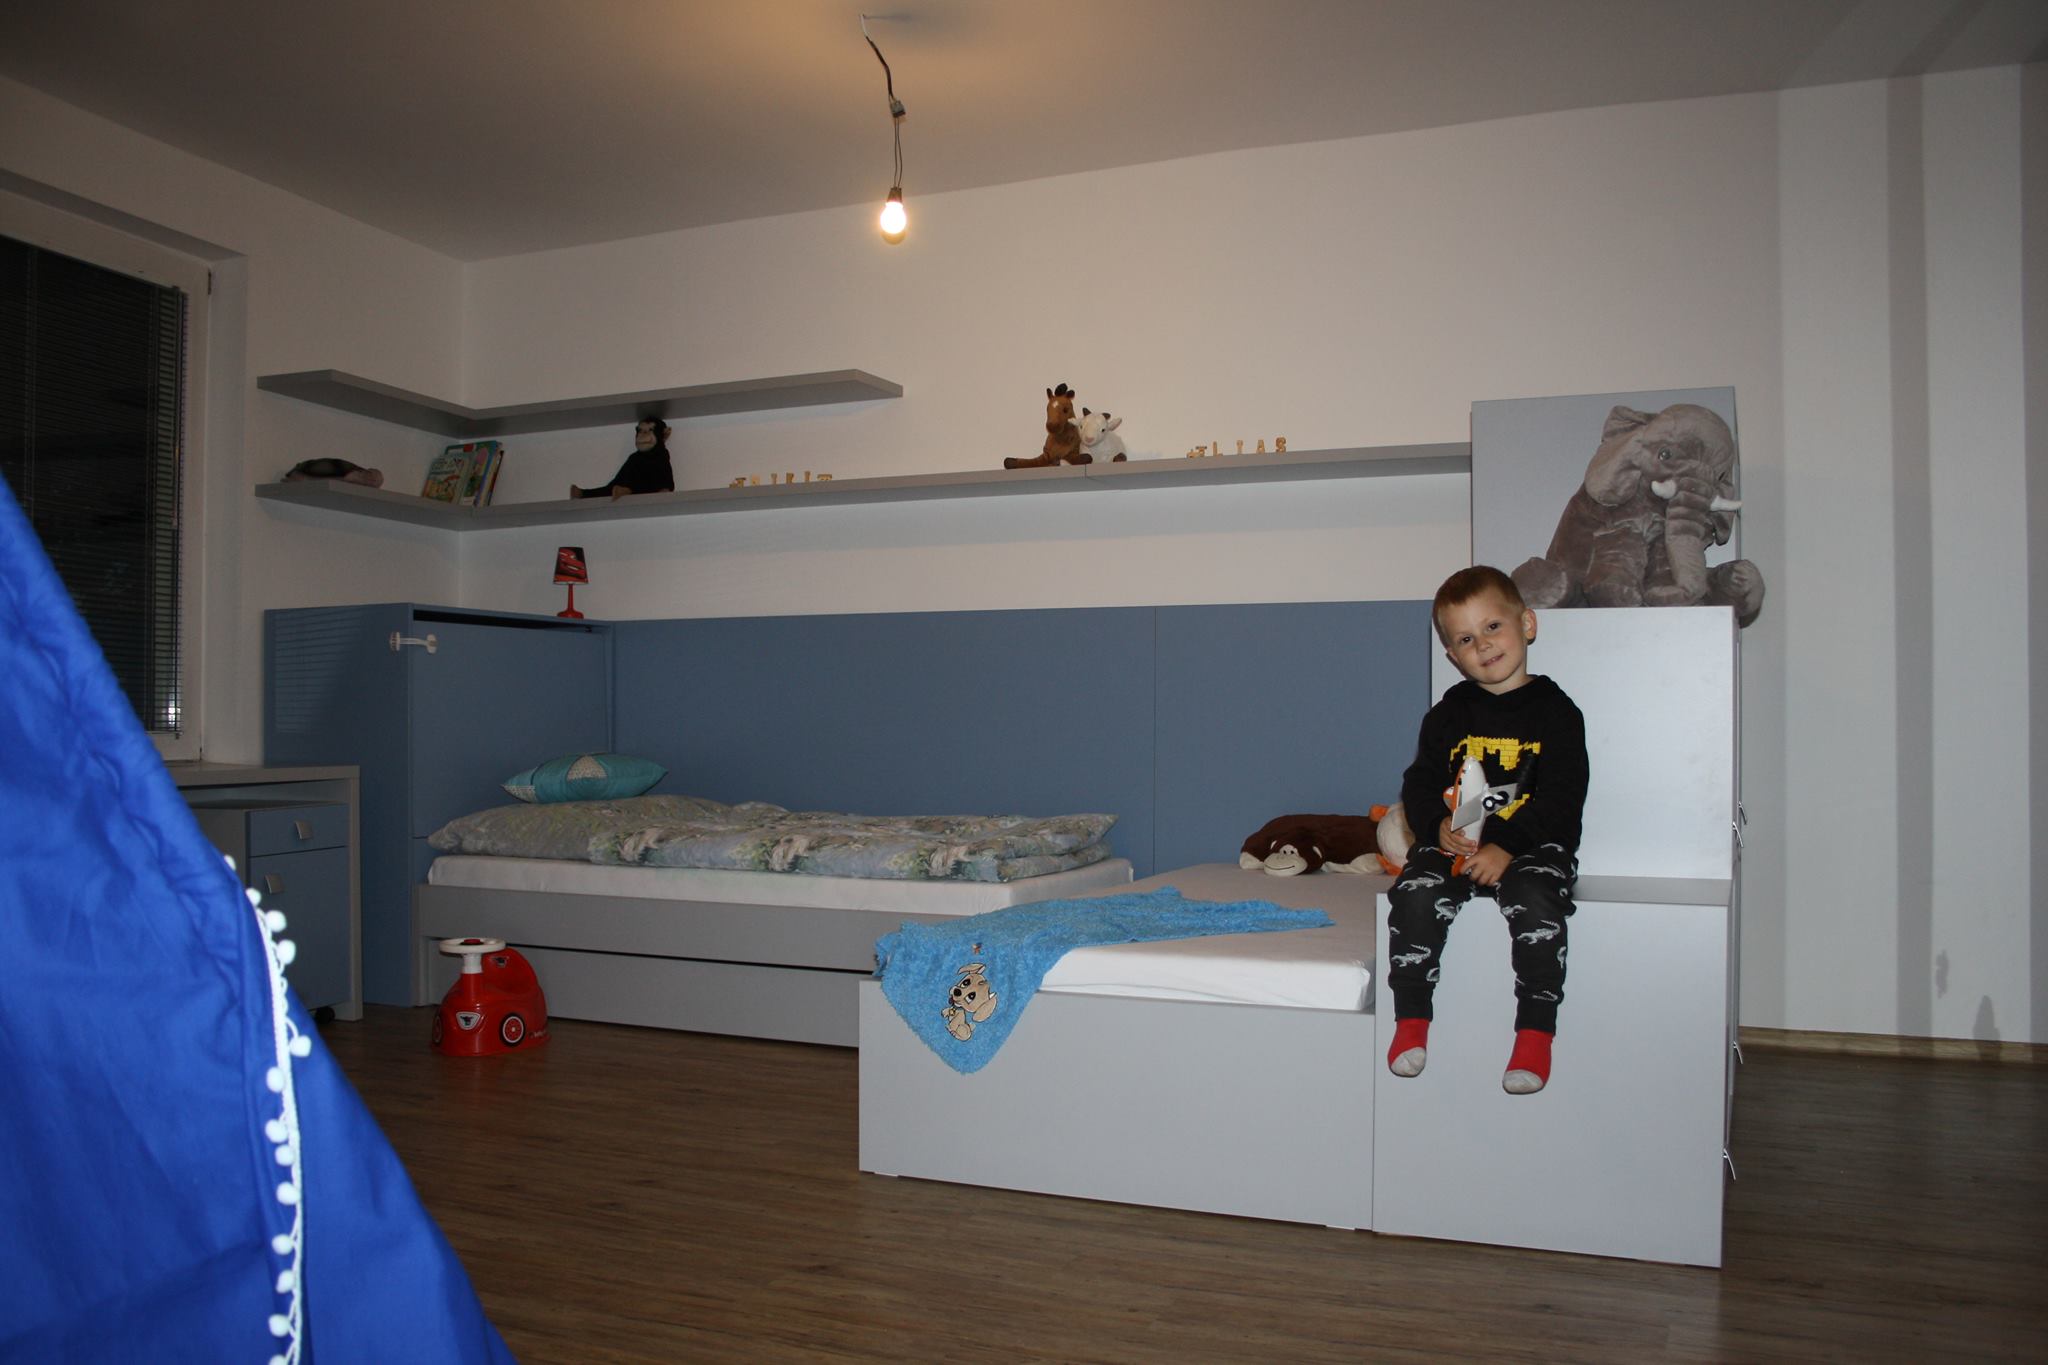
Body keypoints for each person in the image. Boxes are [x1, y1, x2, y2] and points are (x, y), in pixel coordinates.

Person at [1385, 564, 1588, 1094]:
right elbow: (1419, 782)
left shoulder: (1557, 713)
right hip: (1458, 841)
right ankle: (1411, 1019)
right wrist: (1435, 827)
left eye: (1493, 627)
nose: (1483, 645)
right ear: (1453, 656)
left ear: (1527, 623)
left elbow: (1563, 801)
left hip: (1532, 844)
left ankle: (1535, 1032)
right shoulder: (1449, 714)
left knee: (1537, 899)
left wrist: (1507, 847)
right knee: (1413, 892)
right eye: (1466, 639)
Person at [571, 417, 675, 499]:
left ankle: (628, 491)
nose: (642, 435)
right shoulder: (635, 458)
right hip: (627, 488)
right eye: (640, 430)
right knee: (611, 489)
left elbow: (667, 479)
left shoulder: (661, 456)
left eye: (649, 430)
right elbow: (615, 484)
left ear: (663, 434)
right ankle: (583, 493)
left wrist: (665, 489)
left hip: (651, 489)